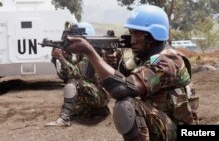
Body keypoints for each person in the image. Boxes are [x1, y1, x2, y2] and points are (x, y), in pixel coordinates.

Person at [64, 5, 199, 141]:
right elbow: (121, 78)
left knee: (127, 106)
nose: (132, 40)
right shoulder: (145, 58)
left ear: (154, 34)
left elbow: (121, 89)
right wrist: (115, 64)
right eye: (131, 33)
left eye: (137, 34)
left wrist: (90, 52)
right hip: (166, 124)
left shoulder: (168, 61)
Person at [45, 23, 110, 127]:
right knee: (76, 107)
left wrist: (61, 58)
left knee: (74, 82)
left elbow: (78, 74)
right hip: (92, 93)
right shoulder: (80, 53)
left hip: (100, 95)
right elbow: (64, 76)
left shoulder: (92, 52)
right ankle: (96, 112)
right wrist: (59, 59)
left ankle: (64, 119)